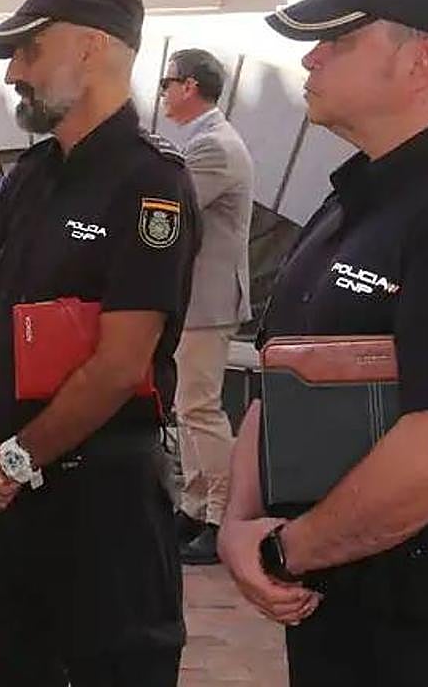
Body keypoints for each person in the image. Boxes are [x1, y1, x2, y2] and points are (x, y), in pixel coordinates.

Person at [0, 0, 200, 687]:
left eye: (29, 49)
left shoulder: (151, 184)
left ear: (91, 48)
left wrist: (15, 461)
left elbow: (121, 365)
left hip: (101, 506)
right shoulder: (26, 177)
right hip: (7, 497)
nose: (13, 72)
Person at [218, 0, 428, 686]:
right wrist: (237, 525)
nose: (310, 60)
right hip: (333, 603)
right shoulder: (351, 198)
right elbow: (279, 373)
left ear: (422, 59)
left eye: (338, 40)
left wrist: (286, 550)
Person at [159, 48, 254, 565]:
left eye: (167, 84)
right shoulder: (203, 141)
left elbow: (171, 211)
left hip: (206, 299)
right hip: (197, 299)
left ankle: (219, 514)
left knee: (199, 407)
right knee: (188, 407)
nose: (164, 94)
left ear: (190, 86)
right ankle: (195, 507)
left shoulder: (213, 146)